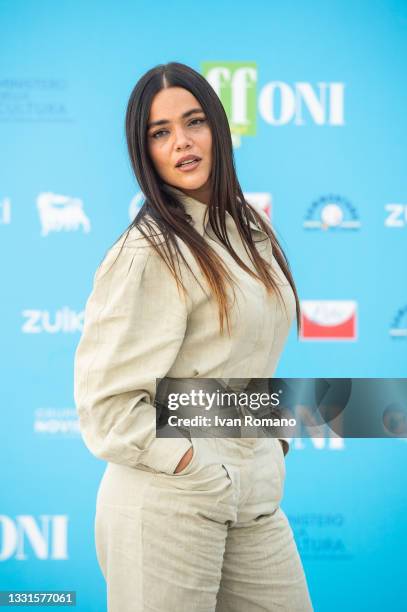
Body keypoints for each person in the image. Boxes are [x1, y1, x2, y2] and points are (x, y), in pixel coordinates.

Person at [74, 61, 313, 611]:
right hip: (167, 502)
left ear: (218, 130)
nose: (181, 142)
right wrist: (197, 470)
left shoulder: (253, 231)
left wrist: (269, 443)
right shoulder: (147, 253)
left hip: (253, 499)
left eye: (194, 121)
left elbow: (244, 364)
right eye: (160, 132)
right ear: (144, 150)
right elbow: (108, 407)